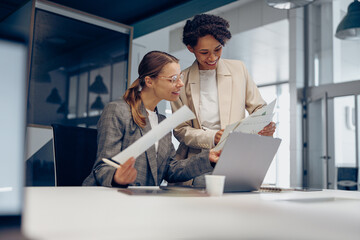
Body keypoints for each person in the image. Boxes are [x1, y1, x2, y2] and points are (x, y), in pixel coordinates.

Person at [83, 51, 221, 187]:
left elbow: (171, 170)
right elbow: (102, 167)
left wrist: (207, 158)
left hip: (141, 202)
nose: (180, 84)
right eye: (173, 79)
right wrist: (117, 177)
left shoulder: (161, 121)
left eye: (180, 77)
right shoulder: (117, 110)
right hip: (107, 200)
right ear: (149, 81)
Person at [171, 14, 276, 185]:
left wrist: (265, 125)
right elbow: (180, 130)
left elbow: (259, 108)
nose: (212, 58)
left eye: (218, 49)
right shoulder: (181, 81)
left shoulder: (238, 69)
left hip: (236, 158)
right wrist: (213, 137)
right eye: (204, 52)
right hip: (198, 162)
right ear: (191, 48)